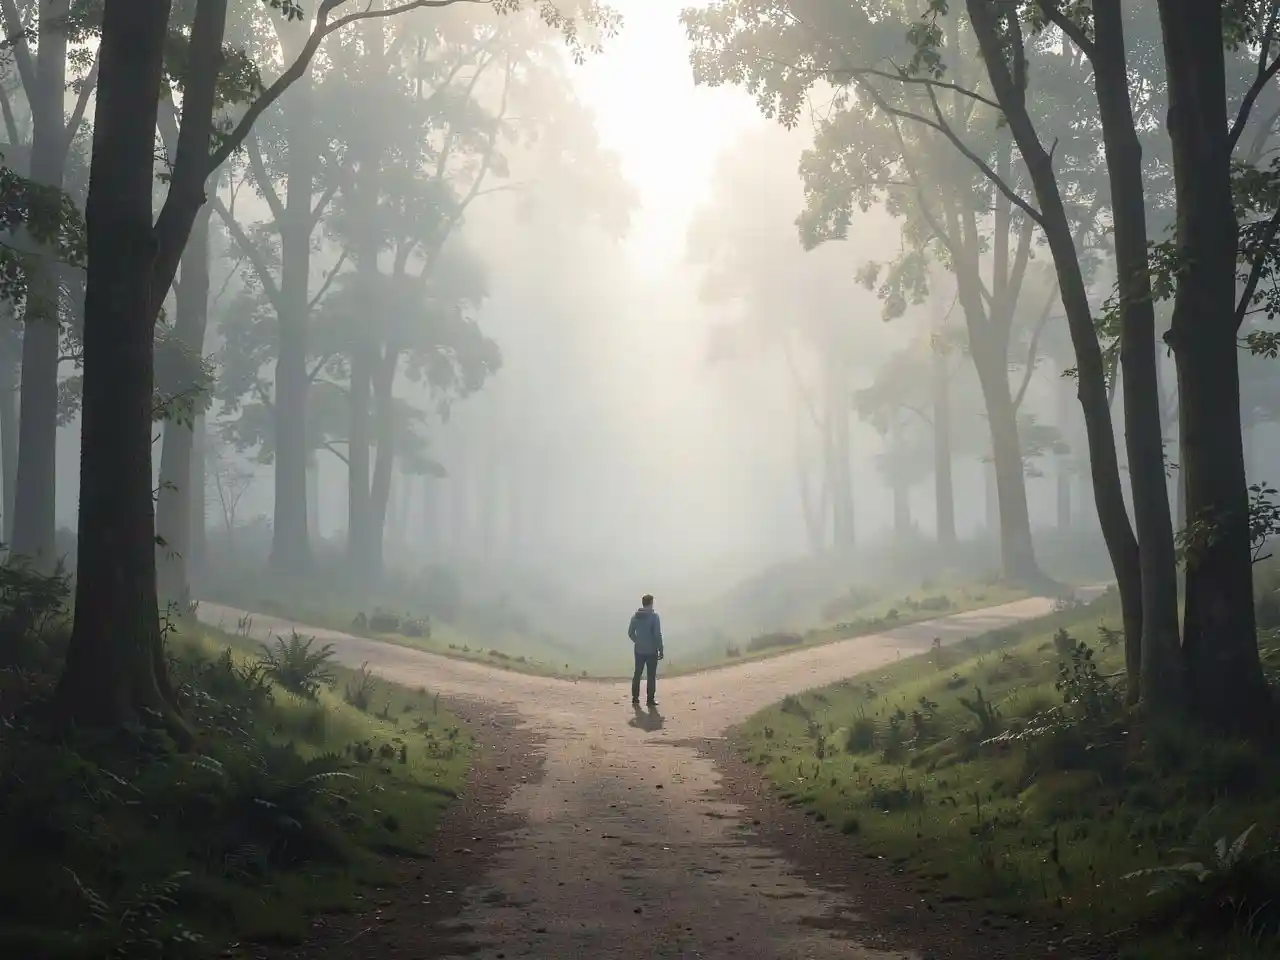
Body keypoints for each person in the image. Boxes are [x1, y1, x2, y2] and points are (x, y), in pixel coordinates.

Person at [627, 594, 663, 706]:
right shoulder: (654, 617)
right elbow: (657, 635)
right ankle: (650, 700)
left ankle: (635, 698)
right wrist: (660, 649)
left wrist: (637, 641)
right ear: (650, 603)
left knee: (637, 673)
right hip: (651, 650)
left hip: (639, 650)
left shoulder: (635, 617)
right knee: (651, 675)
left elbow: (630, 633)